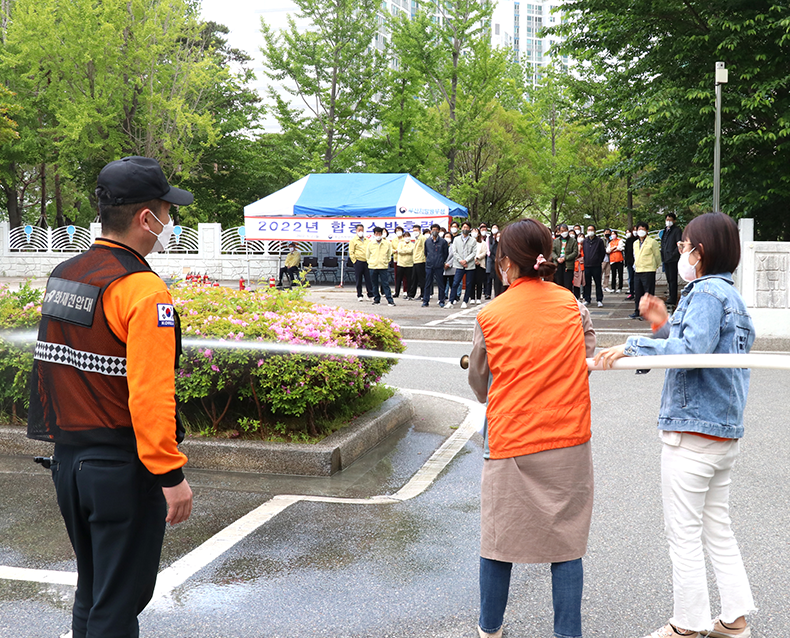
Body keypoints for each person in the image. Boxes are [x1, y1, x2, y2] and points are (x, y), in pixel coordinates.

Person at [27, 156, 194, 638]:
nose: (171, 223)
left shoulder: (68, 272)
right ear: (148, 219)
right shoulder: (142, 289)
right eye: (168, 212)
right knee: (118, 608)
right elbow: (150, 392)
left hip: (69, 465)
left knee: (94, 594)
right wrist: (170, 474)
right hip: (121, 471)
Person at [594, 212, 757, 638]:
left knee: (683, 532)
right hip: (722, 430)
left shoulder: (705, 294)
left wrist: (632, 345)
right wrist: (662, 324)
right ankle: (734, 619)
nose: (681, 252)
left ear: (698, 253)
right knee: (716, 526)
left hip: (693, 431)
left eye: (684, 246)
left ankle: (687, 624)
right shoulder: (732, 298)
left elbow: (689, 352)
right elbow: (700, 348)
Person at [467, 218, 595, 638]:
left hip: (511, 441)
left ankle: (490, 629)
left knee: (498, 540)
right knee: (567, 543)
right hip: (568, 438)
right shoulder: (573, 307)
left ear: (505, 262)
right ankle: (567, 632)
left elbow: (481, 385)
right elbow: (585, 361)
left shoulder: (490, 314)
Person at [630, 221, 662, 320]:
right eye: (639, 229)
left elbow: (657, 257)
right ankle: (638, 311)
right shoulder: (635, 243)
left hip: (648, 270)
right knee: (638, 292)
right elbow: (635, 256)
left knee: (648, 293)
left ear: (647, 231)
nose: (641, 231)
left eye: (643, 229)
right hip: (638, 270)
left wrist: (655, 266)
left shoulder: (653, 242)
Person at [450, 221, 477, 308]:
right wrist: (461, 261)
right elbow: (454, 251)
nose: (465, 229)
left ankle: (465, 301)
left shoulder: (473, 240)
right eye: (464, 227)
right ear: (461, 228)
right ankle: (451, 300)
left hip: (470, 265)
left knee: (469, 284)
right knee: (455, 283)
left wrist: (466, 261)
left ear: (469, 229)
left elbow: (474, 253)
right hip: (459, 264)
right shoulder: (456, 239)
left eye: (467, 228)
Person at [366, 226, 395, 306]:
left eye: (379, 233)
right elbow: (367, 255)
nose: (378, 235)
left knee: (385, 284)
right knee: (374, 284)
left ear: (382, 234)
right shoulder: (370, 244)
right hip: (373, 266)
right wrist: (370, 262)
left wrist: (386, 262)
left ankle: (390, 300)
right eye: (376, 233)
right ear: (374, 234)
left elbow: (389, 255)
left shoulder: (387, 243)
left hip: (383, 266)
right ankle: (376, 299)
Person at [423, 223, 449, 307]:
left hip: (439, 265)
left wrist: (441, 261)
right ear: (431, 231)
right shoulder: (427, 241)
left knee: (440, 284)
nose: (434, 231)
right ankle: (425, 301)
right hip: (429, 265)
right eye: (433, 229)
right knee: (427, 284)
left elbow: (445, 254)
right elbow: (426, 252)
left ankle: (441, 300)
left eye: (436, 230)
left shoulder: (443, 241)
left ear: (439, 231)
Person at [662, 213, 683, 308]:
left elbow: (678, 244)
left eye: (670, 219)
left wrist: (673, 254)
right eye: (667, 219)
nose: (668, 221)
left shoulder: (677, 231)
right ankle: (670, 296)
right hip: (665, 258)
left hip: (673, 258)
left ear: (674, 220)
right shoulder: (665, 231)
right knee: (669, 279)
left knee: (673, 279)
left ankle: (673, 298)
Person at [582, 224, 605, 307]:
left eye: (591, 230)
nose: (590, 231)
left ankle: (599, 300)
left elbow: (602, 252)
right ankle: (587, 299)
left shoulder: (599, 241)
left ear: (595, 231)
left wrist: (599, 261)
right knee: (587, 284)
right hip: (587, 265)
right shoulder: (585, 241)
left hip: (596, 266)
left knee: (598, 283)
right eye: (588, 230)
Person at [349, 224, 374, 301]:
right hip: (358, 262)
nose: (360, 231)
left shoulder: (367, 240)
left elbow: (370, 250)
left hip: (367, 262)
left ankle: (370, 294)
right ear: (356, 231)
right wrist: (354, 261)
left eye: (362, 230)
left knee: (368, 279)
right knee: (359, 279)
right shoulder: (353, 240)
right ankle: (359, 295)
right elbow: (351, 252)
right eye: (359, 230)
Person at [551, 223, 578, 290]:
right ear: (559, 232)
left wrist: (565, 258)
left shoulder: (573, 241)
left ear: (568, 230)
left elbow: (575, 252)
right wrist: (557, 258)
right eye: (562, 231)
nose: (564, 232)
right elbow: (552, 251)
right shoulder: (556, 241)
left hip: (568, 265)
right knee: (558, 284)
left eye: (565, 230)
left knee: (568, 284)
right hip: (558, 264)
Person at [408, 225, 427, 301]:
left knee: (421, 279)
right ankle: (411, 294)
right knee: (414, 278)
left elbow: (424, 249)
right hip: (415, 260)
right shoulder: (417, 238)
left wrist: (423, 258)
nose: (415, 232)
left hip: (421, 261)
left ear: (420, 230)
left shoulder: (423, 238)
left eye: (416, 230)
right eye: (414, 230)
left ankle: (423, 295)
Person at [394, 230, 414, 299]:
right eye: (405, 236)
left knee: (409, 280)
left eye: (408, 236)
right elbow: (399, 251)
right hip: (400, 264)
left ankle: (408, 293)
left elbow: (411, 251)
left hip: (409, 264)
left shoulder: (412, 244)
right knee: (398, 279)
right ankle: (397, 293)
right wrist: (406, 251)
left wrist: (403, 251)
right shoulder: (400, 244)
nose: (407, 237)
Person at [472, 227, 488, 304]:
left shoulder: (483, 243)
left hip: (480, 264)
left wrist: (477, 258)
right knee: (471, 281)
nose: (474, 233)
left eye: (476, 231)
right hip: (471, 264)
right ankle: (472, 298)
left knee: (479, 282)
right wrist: (473, 259)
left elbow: (484, 252)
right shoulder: (469, 242)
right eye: (473, 231)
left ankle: (478, 298)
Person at [624, 225, 638, 300]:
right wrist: (626, 261)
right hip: (630, 262)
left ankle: (638, 293)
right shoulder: (629, 240)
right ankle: (631, 292)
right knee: (631, 278)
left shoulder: (640, 240)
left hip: (639, 262)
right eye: (634, 230)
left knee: (638, 279)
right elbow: (626, 252)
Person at [573, 233, 585, 300]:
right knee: (576, 281)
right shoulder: (575, 245)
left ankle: (583, 295)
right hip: (576, 265)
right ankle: (576, 295)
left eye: (582, 236)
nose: (580, 238)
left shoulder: (585, 245)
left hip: (583, 265)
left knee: (583, 281)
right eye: (579, 236)